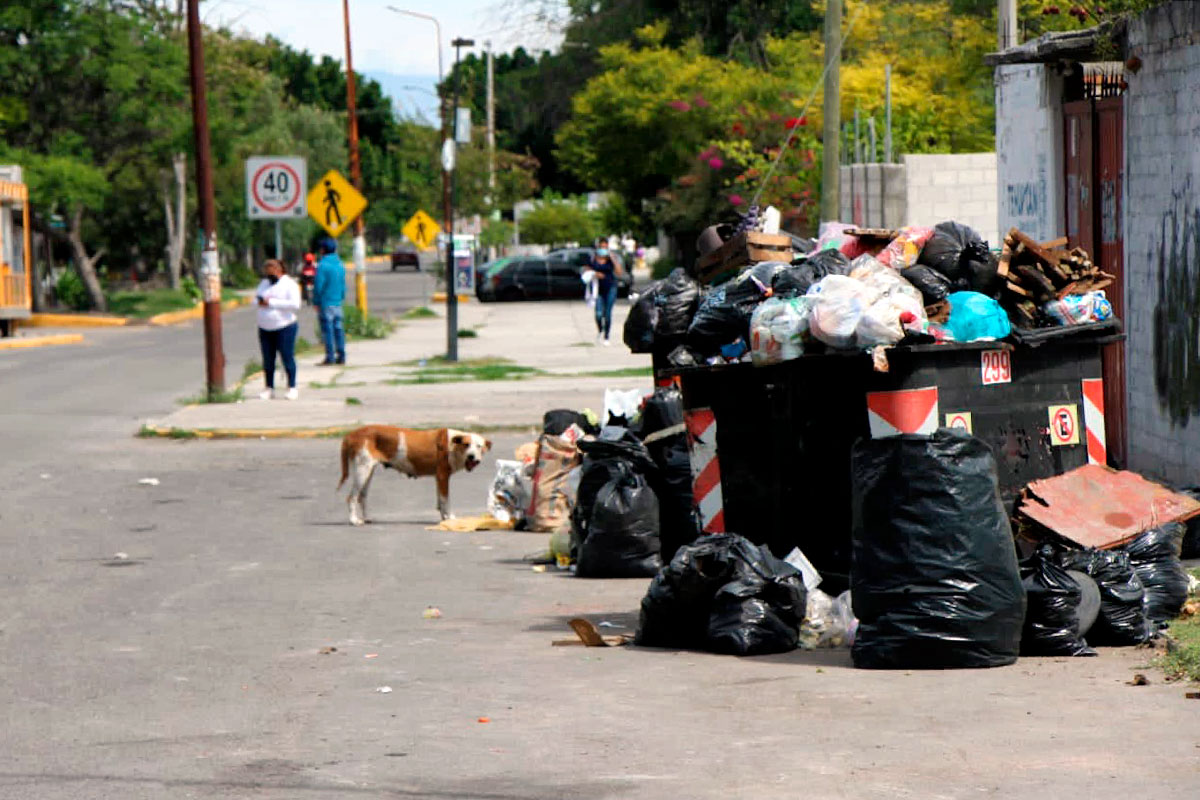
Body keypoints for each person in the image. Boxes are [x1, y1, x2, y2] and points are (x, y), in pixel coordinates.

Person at [255, 259, 302, 400]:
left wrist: (271, 302)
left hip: (285, 326)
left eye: (272, 271)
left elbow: (295, 305)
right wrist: (260, 301)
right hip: (265, 327)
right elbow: (255, 300)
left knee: (287, 357)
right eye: (267, 271)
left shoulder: (289, 284)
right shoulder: (264, 284)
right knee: (268, 359)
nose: (269, 275)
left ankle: (292, 387)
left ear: (279, 270)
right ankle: (269, 388)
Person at [312, 236, 346, 366]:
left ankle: (330, 357)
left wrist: (316, 301)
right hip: (337, 301)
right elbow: (343, 284)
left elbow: (319, 285)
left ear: (323, 250)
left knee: (328, 331)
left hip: (326, 302)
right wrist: (341, 296)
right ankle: (341, 355)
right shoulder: (339, 264)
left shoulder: (323, 265)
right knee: (338, 329)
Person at [589, 237, 620, 346]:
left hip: (610, 287)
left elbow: (619, 272)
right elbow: (585, 269)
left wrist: (612, 258)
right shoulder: (593, 258)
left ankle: (607, 336)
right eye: (601, 247)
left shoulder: (612, 257)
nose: (603, 249)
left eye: (605, 247)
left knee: (607, 313)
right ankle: (600, 330)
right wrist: (594, 274)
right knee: (598, 314)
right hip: (597, 289)